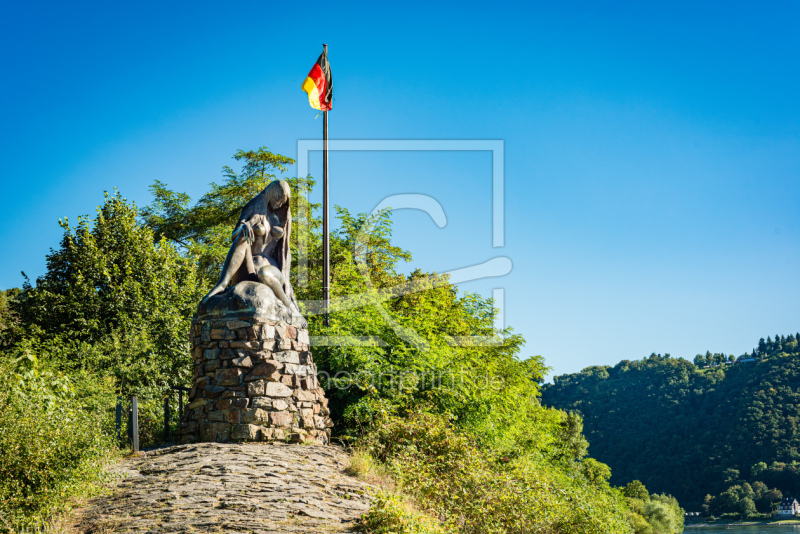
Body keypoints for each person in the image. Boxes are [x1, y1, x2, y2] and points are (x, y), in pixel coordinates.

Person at [202, 180, 301, 318]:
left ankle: (291, 309)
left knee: (264, 273)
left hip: (271, 271)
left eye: (283, 202)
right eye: (278, 199)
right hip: (249, 267)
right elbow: (234, 236)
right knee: (243, 233)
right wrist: (244, 227)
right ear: (271, 194)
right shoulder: (253, 207)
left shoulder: (281, 217)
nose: (279, 204)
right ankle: (222, 284)